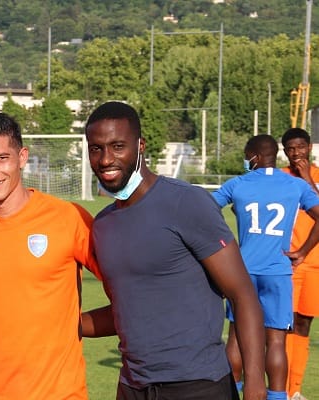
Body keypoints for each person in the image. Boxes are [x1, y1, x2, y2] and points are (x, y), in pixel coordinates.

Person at [81, 101, 267, 400]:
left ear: (140, 146)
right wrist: (61, 324)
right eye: (96, 148)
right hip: (133, 386)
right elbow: (125, 312)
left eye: (117, 146)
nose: (105, 159)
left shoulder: (186, 202)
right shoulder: (103, 225)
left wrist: (255, 384)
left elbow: (242, 294)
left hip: (197, 386)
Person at [0, 113, 101, 399]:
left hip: (59, 394)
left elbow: (126, 291)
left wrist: (75, 324)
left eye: (2, 158)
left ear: (22, 157)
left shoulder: (68, 218)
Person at [212, 134, 319, 400]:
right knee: (276, 341)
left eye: (246, 157)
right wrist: (302, 252)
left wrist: (223, 244)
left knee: (236, 337)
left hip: (243, 272)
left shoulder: (238, 183)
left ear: (255, 157)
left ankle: (232, 393)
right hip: (278, 271)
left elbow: (205, 210)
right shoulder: (295, 185)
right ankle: (278, 397)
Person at [281, 128, 319, 400]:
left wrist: (308, 179)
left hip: (315, 262)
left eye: (301, 147)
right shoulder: (280, 177)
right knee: (286, 324)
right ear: (284, 152)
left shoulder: (316, 175)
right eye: (290, 149)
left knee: (304, 324)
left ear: (309, 148)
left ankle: (295, 389)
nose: (296, 153)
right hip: (288, 262)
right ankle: (281, 389)